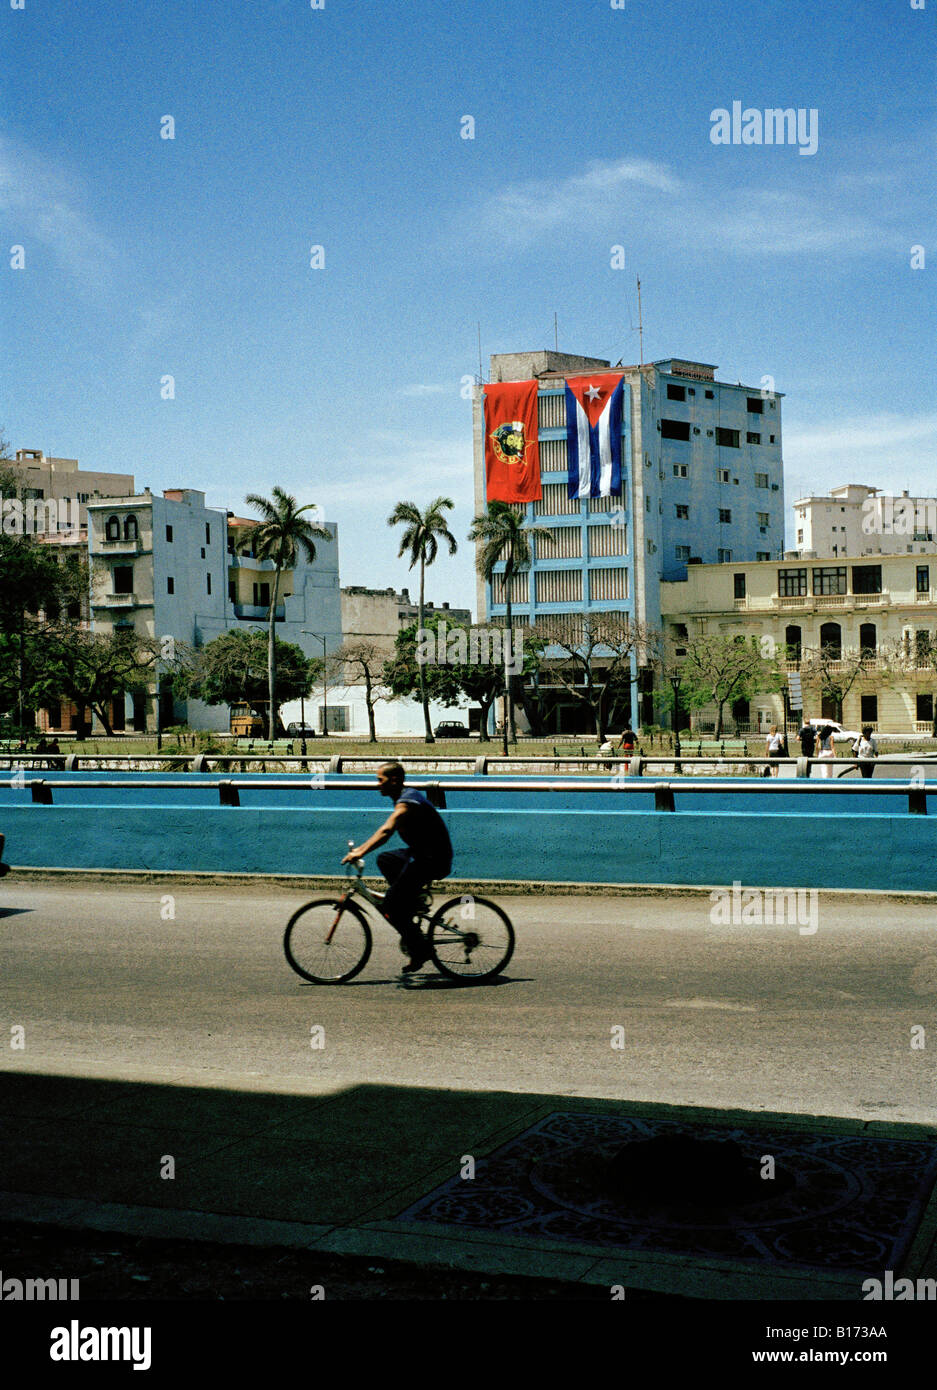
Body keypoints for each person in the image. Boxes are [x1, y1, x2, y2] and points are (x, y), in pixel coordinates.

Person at [342, 761, 453, 972]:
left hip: (433, 860)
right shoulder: (403, 798)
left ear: (394, 780)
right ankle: (409, 903)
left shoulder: (407, 801)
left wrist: (359, 852)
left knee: (391, 907)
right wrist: (361, 850)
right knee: (385, 859)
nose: (377, 785)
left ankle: (421, 950)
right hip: (421, 855)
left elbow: (386, 831)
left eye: (380, 780)